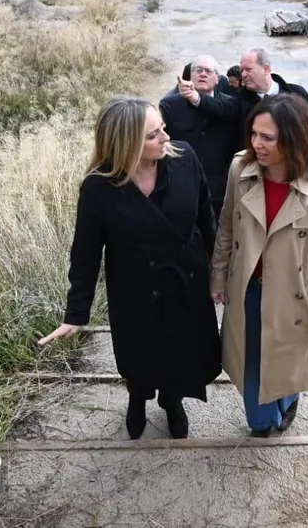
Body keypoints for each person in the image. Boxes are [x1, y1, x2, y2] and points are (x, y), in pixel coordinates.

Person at [37, 96, 222, 440]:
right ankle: (137, 398)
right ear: (126, 145)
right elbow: (86, 253)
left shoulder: (184, 159)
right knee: (139, 354)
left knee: (183, 350)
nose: (166, 138)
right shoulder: (98, 189)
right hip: (135, 288)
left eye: (163, 128)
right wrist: (76, 313)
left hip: (187, 279)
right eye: (154, 135)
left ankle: (172, 401)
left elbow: (205, 216)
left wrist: (218, 272)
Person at [209, 93, 308, 438]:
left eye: (267, 137)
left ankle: (287, 402)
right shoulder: (240, 169)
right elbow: (226, 226)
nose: (257, 144)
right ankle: (262, 422)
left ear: (294, 137)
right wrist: (219, 278)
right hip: (250, 290)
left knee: (287, 361)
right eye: (254, 134)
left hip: (297, 296)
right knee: (253, 366)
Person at [185, 48, 308, 156]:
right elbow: (221, 107)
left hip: (295, 167)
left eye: (248, 69)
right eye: (242, 70)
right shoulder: (240, 99)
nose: (243, 75)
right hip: (258, 174)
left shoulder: (296, 93)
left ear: (266, 69)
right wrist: (196, 97)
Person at [160, 55, 240, 224]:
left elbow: (221, 111)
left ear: (218, 79)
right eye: (198, 70)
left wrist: (196, 99)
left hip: (218, 188)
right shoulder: (170, 105)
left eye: (208, 71)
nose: (203, 74)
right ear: (191, 75)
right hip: (181, 185)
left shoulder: (230, 104)